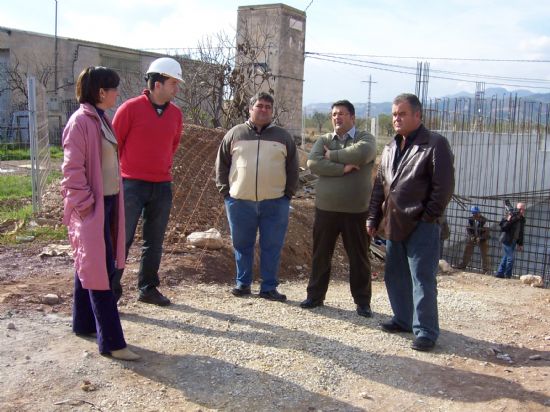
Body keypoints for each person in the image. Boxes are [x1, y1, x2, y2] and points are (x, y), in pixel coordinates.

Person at [61, 66, 139, 360]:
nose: (117, 93)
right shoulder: (80, 121)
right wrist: (86, 207)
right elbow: (71, 171)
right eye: (114, 88)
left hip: (106, 204)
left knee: (91, 264)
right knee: (100, 271)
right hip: (92, 208)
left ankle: (83, 324)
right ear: (100, 92)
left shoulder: (102, 119)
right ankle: (113, 343)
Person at [367, 93, 454, 352]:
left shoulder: (434, 144)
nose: (396, 118)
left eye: (402, 114)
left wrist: (427, 217)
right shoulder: (390, 147)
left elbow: (444, 187)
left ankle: (426, 331)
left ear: (418, 115)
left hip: (422, 225)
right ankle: (403, 319)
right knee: (395, 276)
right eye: (394, 114)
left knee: (422, 279)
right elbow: (379, 188)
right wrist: (373, 217)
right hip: (394, 223)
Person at [112, 57, 184, 306]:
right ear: (157, 83)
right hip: (131, 184)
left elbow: (172, 145)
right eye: (173, 83)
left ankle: (148, 288)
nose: (177, 89)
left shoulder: (176, 114)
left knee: (154, 240)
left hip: (162, 185)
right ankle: (110, 292)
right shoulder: (129, 109)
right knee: (122, 239)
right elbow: (114, 146)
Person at [215, 92, 299, 301]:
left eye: (268, 107)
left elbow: (293, 168)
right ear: (250, 109)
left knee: (272, 245)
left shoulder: (283, 137)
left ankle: (268, 287)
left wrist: (287, 195)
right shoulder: (234, 134)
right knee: (242, 244)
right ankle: (243, 284)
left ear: (272, 111)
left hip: (275, 202)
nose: (263, 110)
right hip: (239, 201)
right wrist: (226, 193)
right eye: (259, 106)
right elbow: (221, 165)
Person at [300, 100, 376, 317]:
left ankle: (363, 302)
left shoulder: (365, 138)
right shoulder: (324, 139)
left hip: (356, 211)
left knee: (359, 258)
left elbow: (362, 153)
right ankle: (315, 296)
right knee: (321, 255)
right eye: (334, 114)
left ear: (352, 117)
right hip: (326, 209)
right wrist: (343, 169)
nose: (337, 117)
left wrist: (331, 156)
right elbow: (313, 163)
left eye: (341, 113)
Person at [496, 202, 526, 278]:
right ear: (517, 209)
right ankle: (508, 275)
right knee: (510, 258)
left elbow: (521, 232)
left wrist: (520, 244)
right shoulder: (511, 216)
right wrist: (510, 220)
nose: (522, 211)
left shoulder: (522, 219)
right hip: (506, 240)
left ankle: (500, 273)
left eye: (523, 209)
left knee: (506, 257)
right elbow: (503, 227)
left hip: (513, 241)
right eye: (520, 209)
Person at [457, 206, 491, 273]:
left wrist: (480, 237)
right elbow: (468, 228)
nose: (474, 215)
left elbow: (487, 231)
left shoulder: (484, 220)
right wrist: (471, 236)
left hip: (482, 238)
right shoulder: (470, 219)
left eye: (475, 213)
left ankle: (486, 269)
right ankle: (463, 265)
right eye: (473, 213)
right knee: (467, 250)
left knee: (485, 253)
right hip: (473, 237)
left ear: (479, 213)